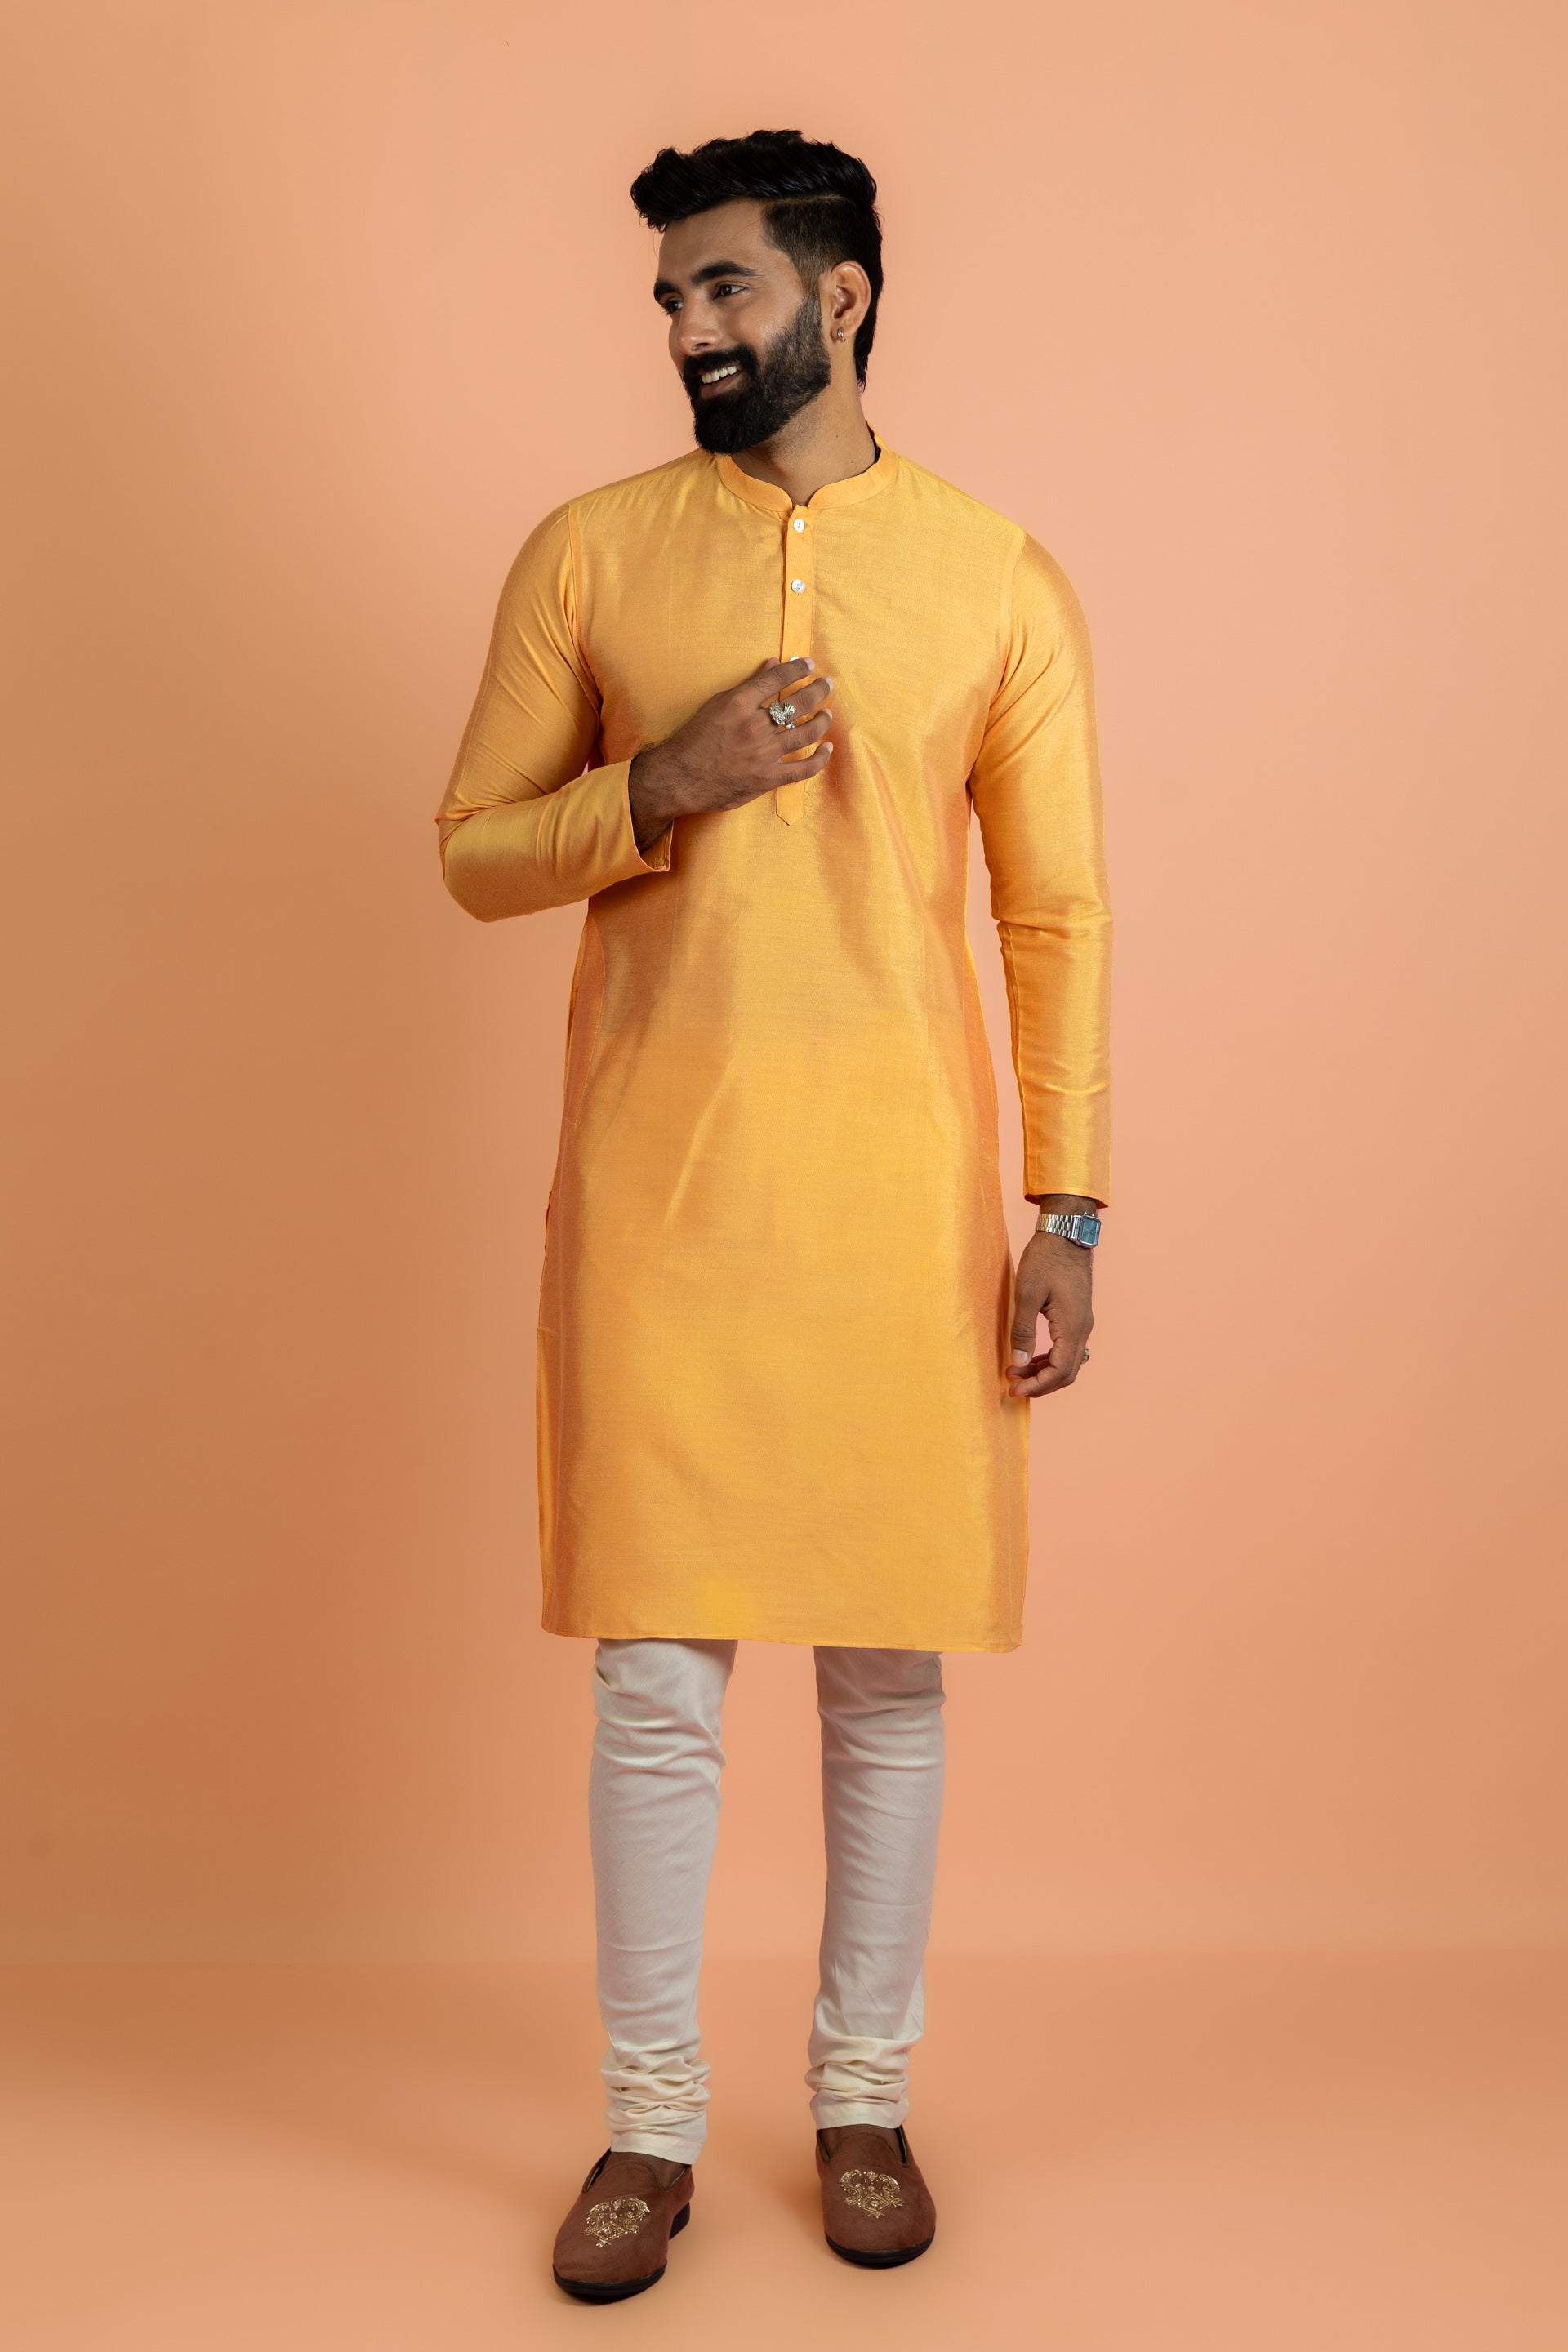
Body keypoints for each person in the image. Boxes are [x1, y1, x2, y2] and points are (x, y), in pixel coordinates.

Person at [435, 128, 1111, 2303]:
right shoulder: (593, 554)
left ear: (844, 296)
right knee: (658, 1673)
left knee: (887, 1669)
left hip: (902, 1207)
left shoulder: (996, 578)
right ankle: (646, 2127)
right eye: (670, 296)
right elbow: (473, 845)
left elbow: (1058, 916)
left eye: (721, 287)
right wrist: (663, 784)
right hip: (663, 1192)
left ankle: (862, 2102)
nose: (687, 328)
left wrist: (1070, 1207)